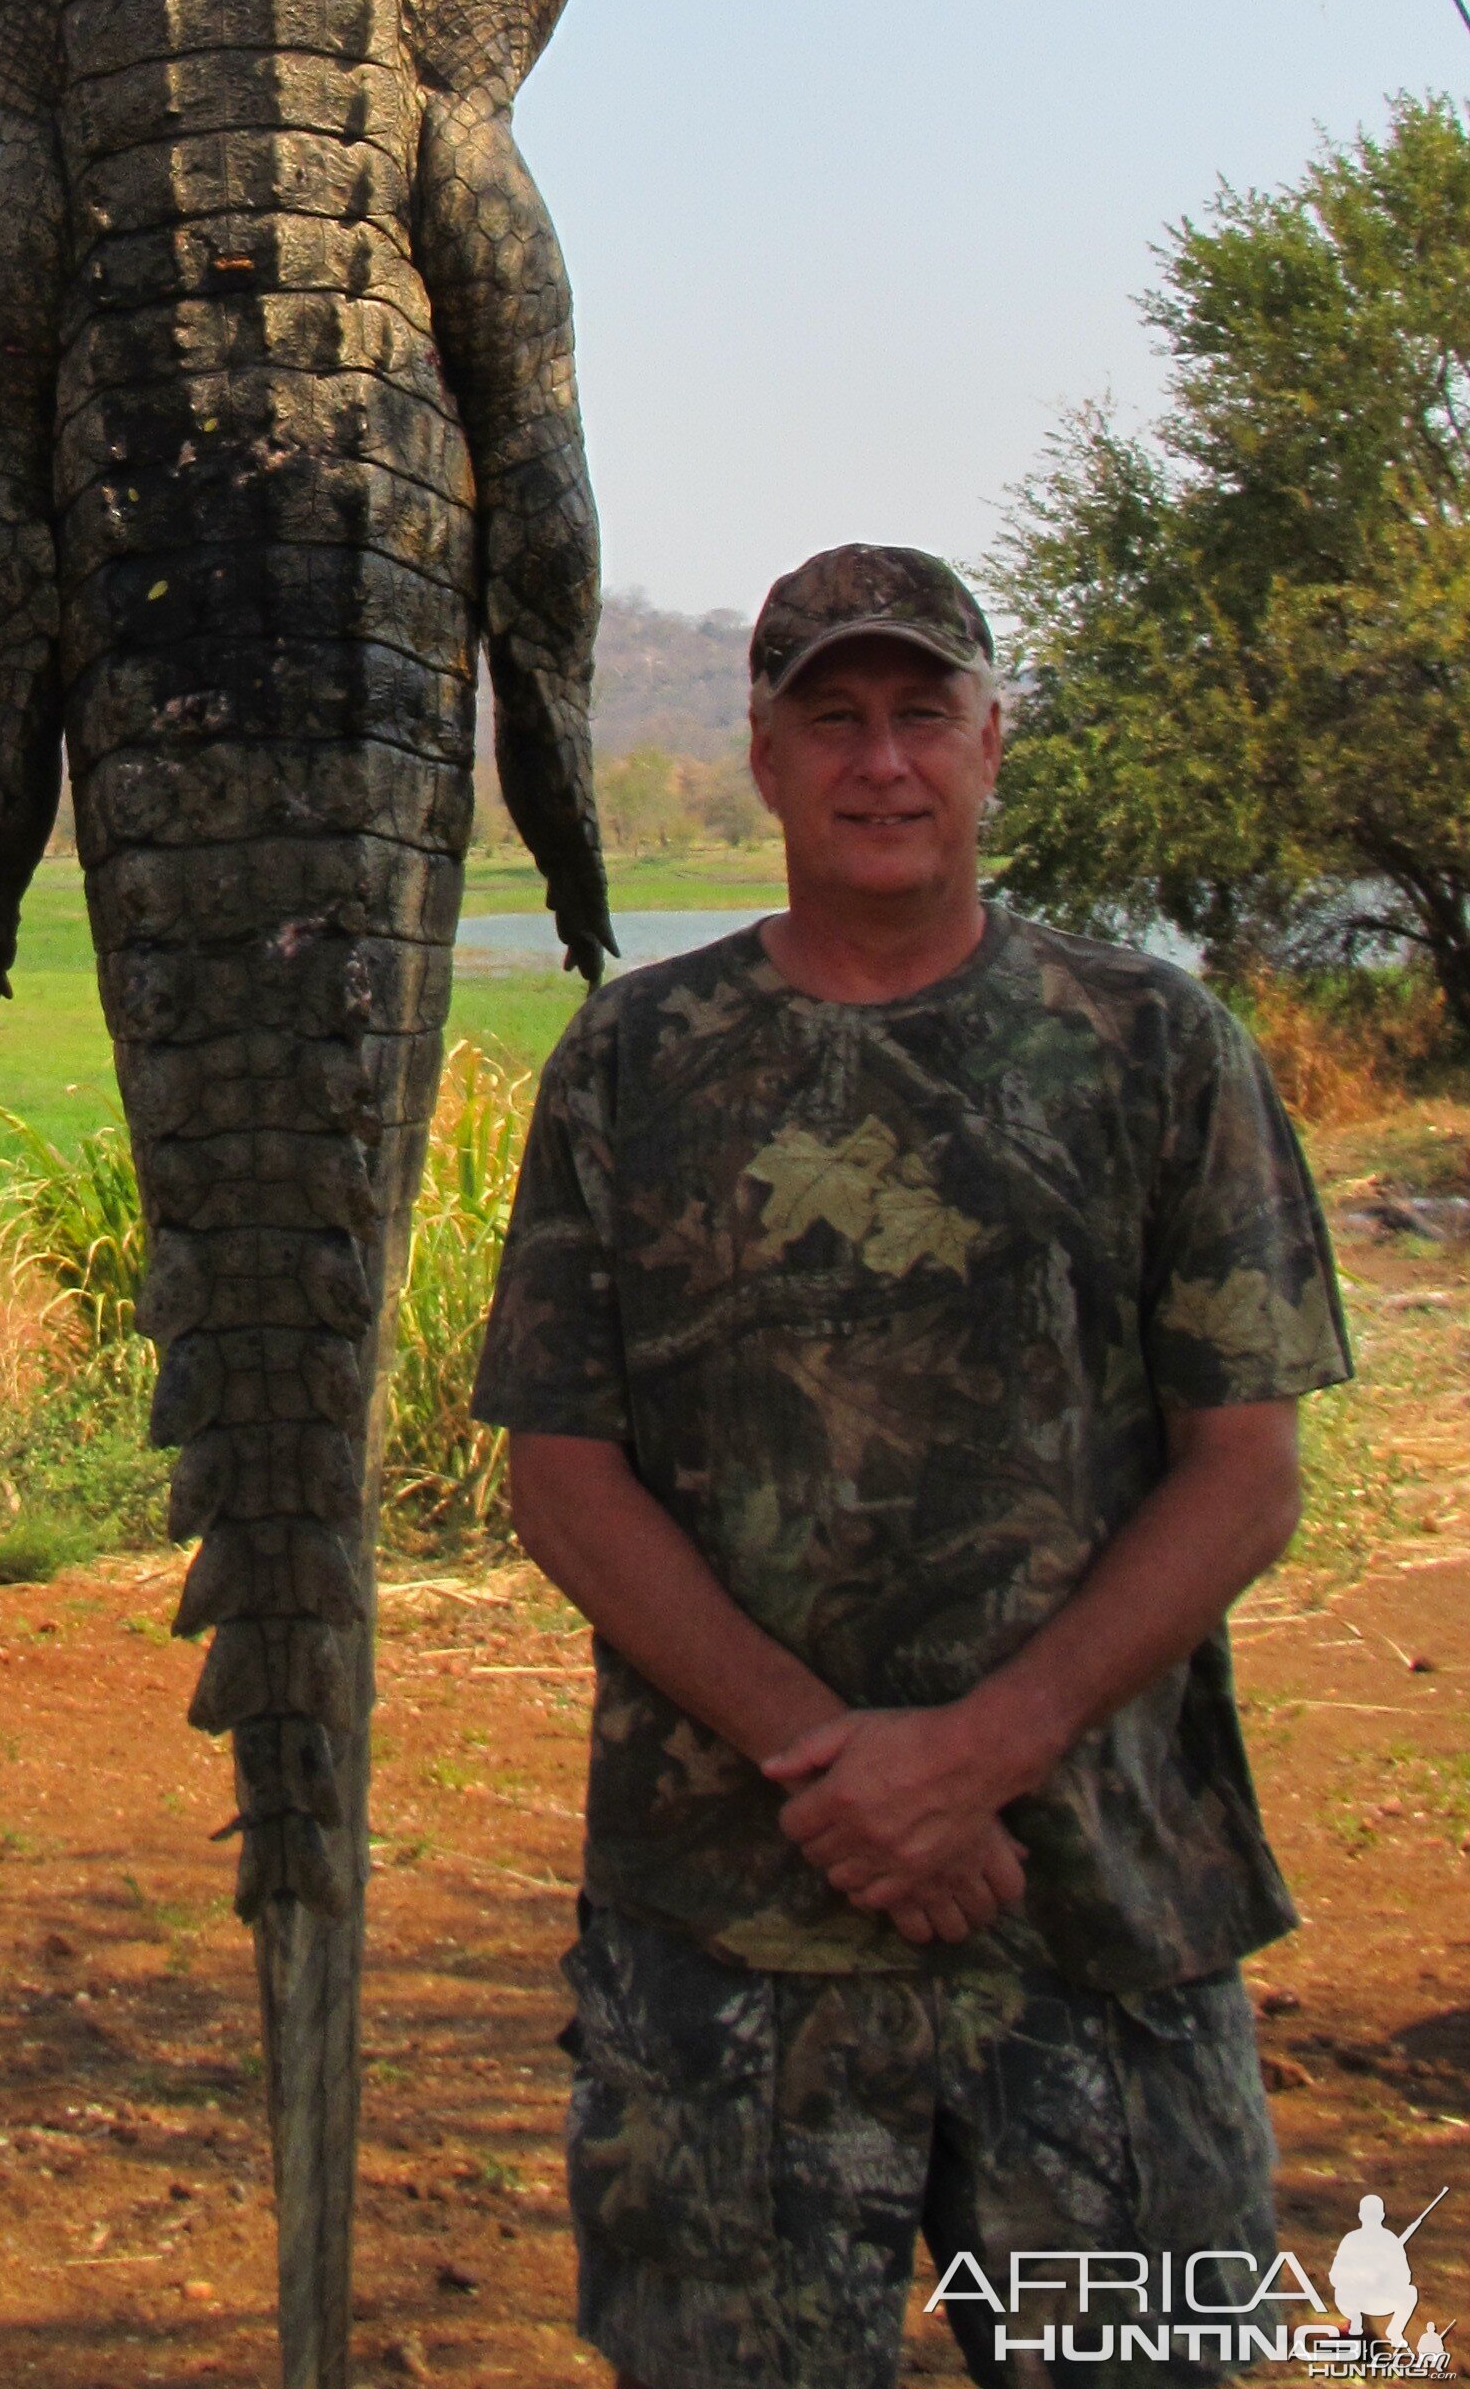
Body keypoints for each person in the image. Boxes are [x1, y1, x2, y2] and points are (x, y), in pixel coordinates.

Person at [469, 544, 1351, 2389]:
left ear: (991, 744)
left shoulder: (1156, 1049)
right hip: (731, 1942)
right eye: (834, 720)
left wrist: (980, 1753)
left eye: (922, 716)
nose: (883, 763)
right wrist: (836, 1775)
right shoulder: (641, 1058)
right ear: (768, 763)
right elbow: (564, 1475)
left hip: (1096, 1911)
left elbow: (1244, 1470)